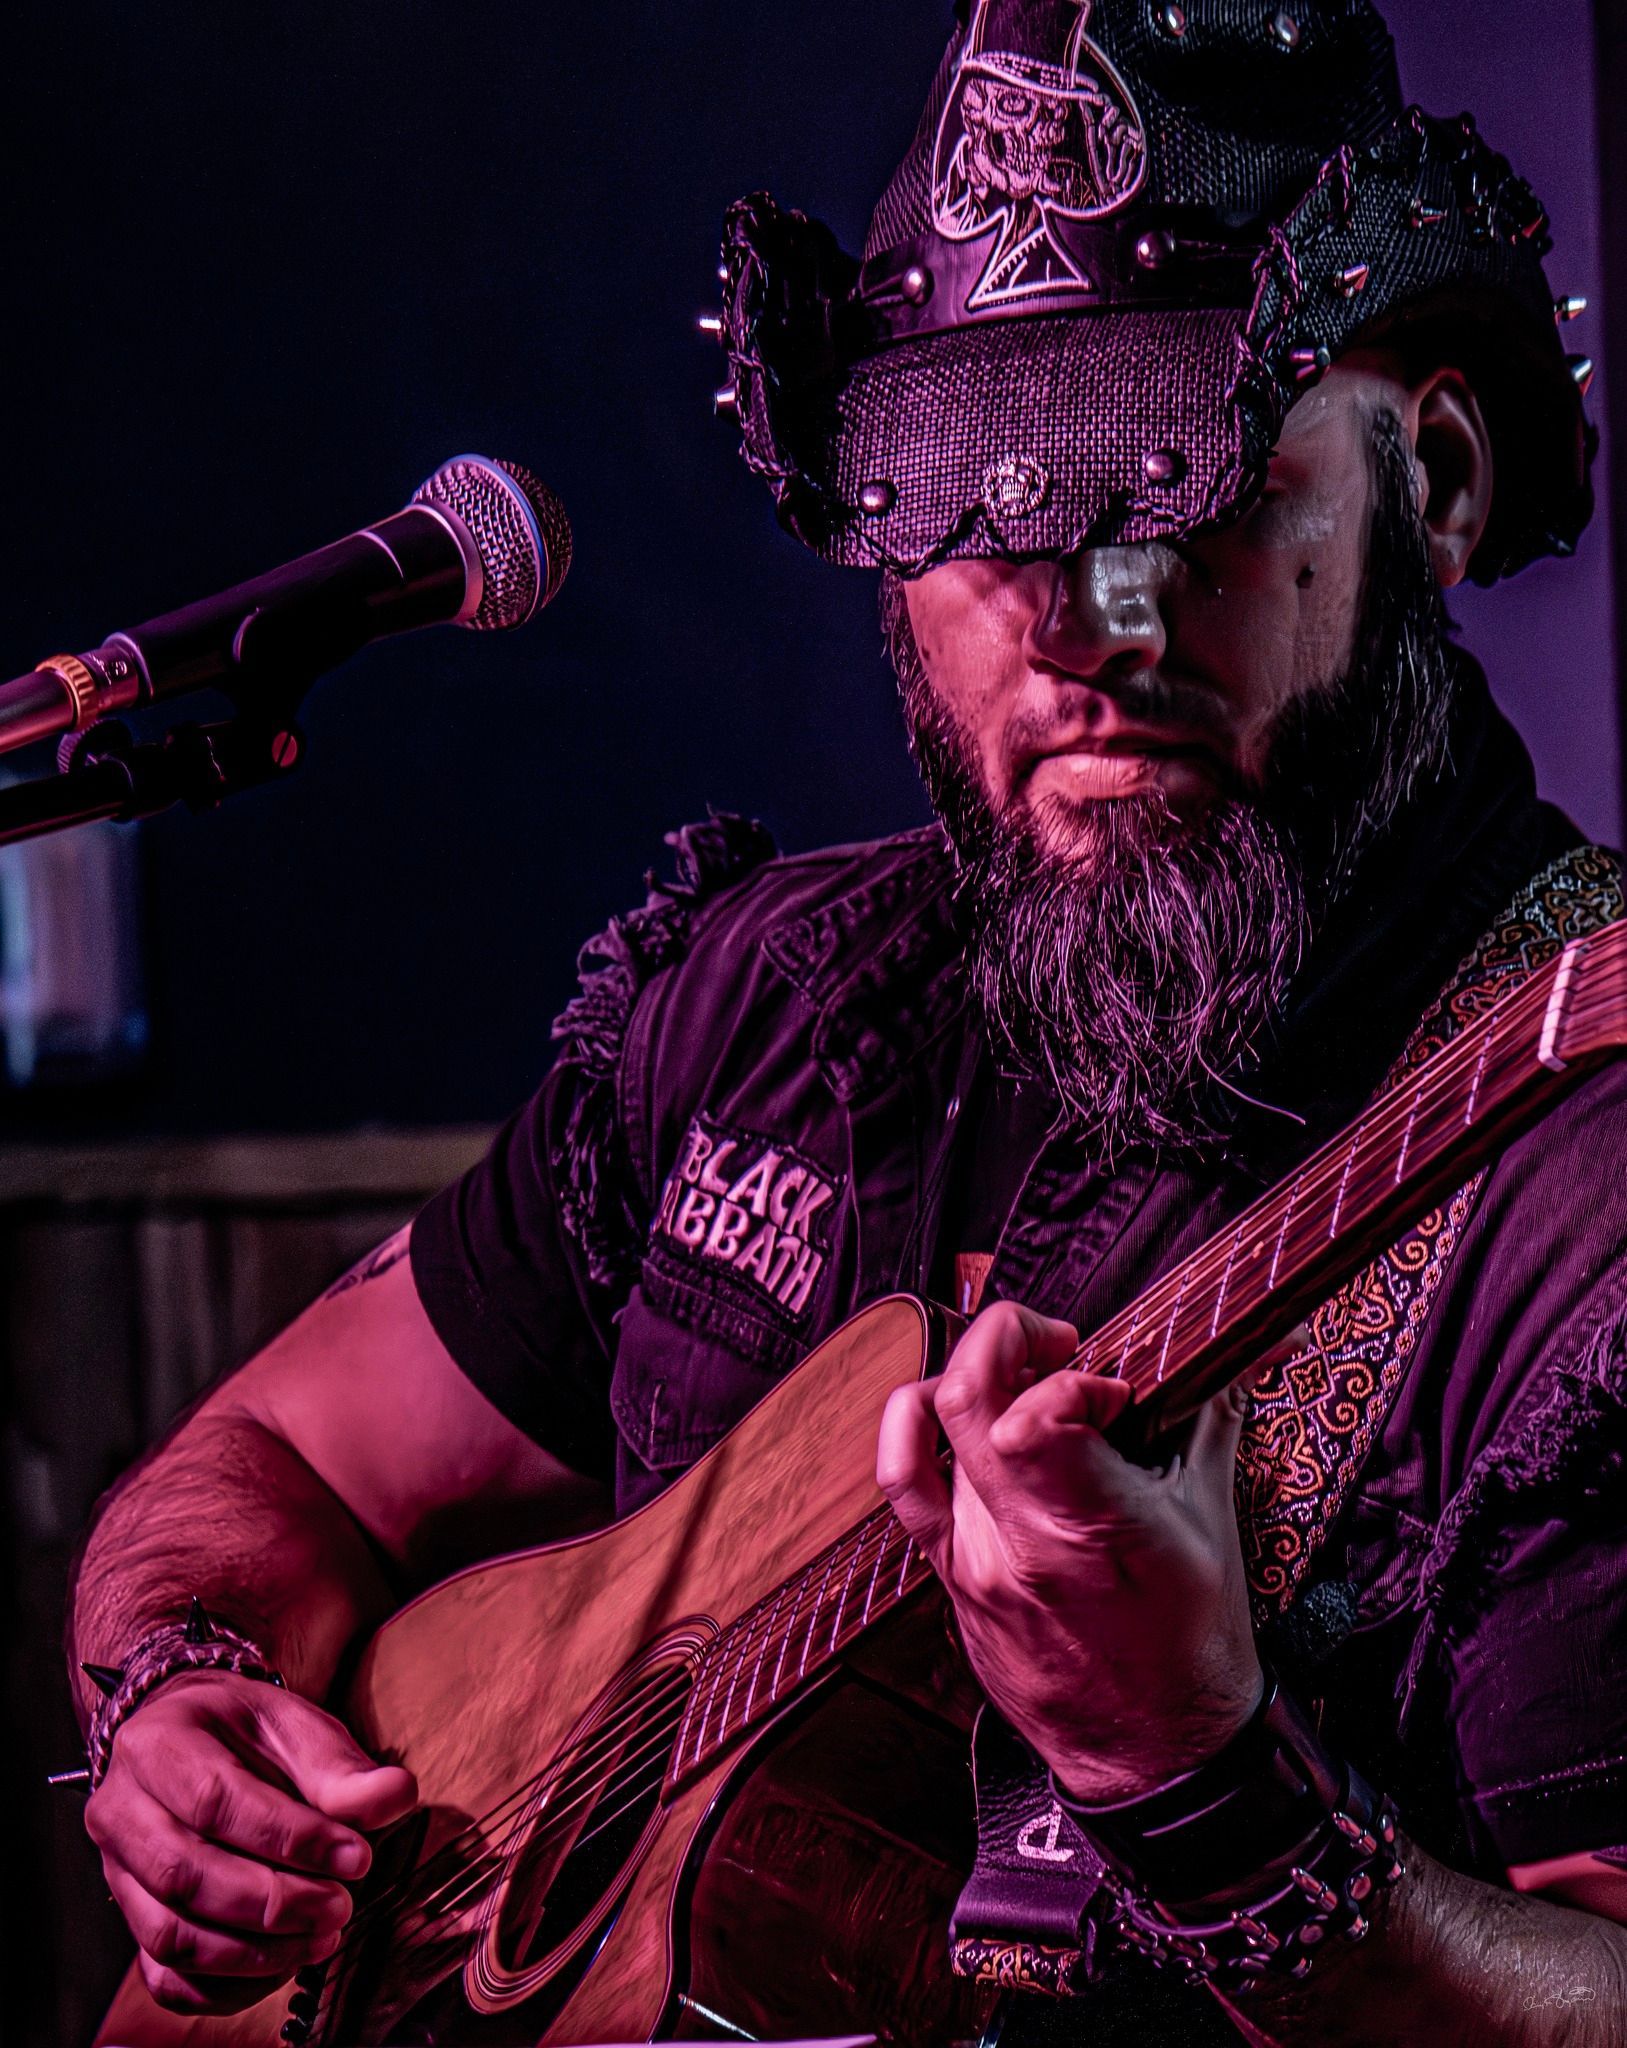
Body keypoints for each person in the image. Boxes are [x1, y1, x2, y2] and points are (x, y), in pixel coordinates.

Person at [66, 1, 1627, 2040]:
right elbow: (273, 1454)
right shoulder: (774, 998)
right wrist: (176, 1685)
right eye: (973, 509)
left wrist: (1205, 1782)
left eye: (1179, 489)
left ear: (1426, 478)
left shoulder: (1572, 1180)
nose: (1081, 617)